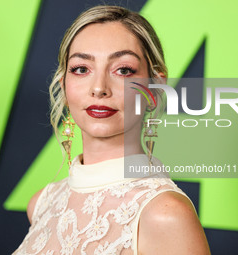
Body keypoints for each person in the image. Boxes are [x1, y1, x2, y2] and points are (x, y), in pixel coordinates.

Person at [12, 5, 210, 255]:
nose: (99, 88)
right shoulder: (42, 203)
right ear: (64, 85)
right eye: (81, 69)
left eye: (123, 70)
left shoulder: (165, 214)